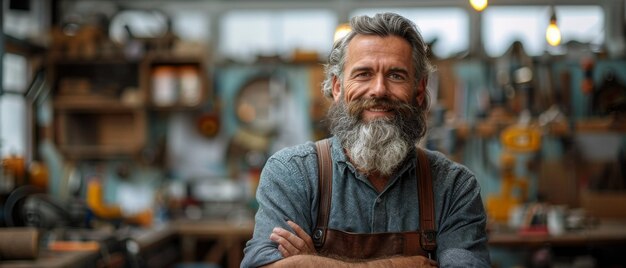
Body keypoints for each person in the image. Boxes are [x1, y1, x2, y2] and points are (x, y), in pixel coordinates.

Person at [241, 12, 490, 267]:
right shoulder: (292, 173)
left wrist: (313, 262)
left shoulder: (454, 187)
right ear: (337, 88)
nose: (379, 89)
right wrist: (398, 265)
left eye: (396, 75)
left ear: (419, 90)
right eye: (363, 74)